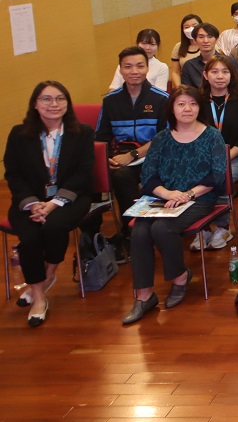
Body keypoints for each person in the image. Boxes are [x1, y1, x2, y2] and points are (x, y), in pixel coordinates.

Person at [122, 86, 228, 325]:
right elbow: (148, 176)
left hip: (199, 198)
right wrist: (168, 193)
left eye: (193, 103)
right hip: (163, 197)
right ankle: (144, 296)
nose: (187, 109)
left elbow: (216, 176)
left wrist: (186, 195)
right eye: (181, 104)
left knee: (162, 228)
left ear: (200, 107)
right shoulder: (161, 138)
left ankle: (180, 276)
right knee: (139, 230)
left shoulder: (212, 136)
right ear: (172, 109)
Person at [4, 81, 95, 326]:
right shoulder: (19, 134)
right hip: (29, 201)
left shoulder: (82, 133)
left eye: (60, 98)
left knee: (54, 226)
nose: (54, 104)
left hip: (71, 197)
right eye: (46, 99)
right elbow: (13, 174)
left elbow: (83, 174)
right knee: (30, 238)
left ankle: (49, 274)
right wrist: (33, 204)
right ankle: (39, 296)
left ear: (67, 103)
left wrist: (53, 203)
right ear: (35, 104)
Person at [94, 47, 170, 254]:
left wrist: (133, 155)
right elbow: (100, 137)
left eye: (139, 66)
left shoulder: (161, 98)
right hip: (121, 157)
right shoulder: (111, 100)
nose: (134, 71)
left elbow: (164, 137)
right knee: (109, 175)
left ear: (147, 68)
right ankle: (121, 232)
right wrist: (107, 159)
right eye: (128, 67)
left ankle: (138, 231)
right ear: (120, 70)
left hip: (153, 157)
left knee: (128, 176)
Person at [192, 55, 238, 251]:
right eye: (214, 71)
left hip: (235, 157)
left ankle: (223, 227)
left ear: (232, 75)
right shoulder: (198, 100)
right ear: (205, 75)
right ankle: (203, 228)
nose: (220, 76)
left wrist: (223, 158)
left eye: (225, 72)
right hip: (204, 157)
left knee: (219, 178)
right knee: (193, 178)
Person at [178, 23, 222, 89]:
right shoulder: (189, 66)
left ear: (217, 39)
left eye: (210, 37)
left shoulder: (229, 62)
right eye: (201, 37)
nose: (206, 41)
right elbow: (187, 92)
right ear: (195, 40)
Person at [169, 13, 202, 88]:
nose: (191, 29)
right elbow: (175, 72)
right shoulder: (178, 47)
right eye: (187, 27)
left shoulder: (209, 44)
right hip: (186, 87)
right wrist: (180, 88)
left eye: (194, 26)